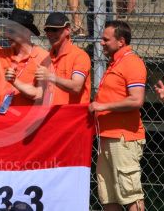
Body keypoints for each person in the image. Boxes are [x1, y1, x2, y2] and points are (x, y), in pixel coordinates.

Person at [89, 21, 146, 211]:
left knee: (131, 196)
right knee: (108, 196)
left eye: (106, 39)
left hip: (123, 139)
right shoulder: (116, 62)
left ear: (121, 41)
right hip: (106, 137)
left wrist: (102, 106)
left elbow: (136, 100)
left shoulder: (132, 62)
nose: (101, 43)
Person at [35, 12, 91, 105]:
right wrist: (15, 82)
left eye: (54, 30)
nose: (50, 33)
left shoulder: (79, 56)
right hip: (51, 116)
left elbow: (76, 87)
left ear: (68, 30)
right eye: (47, 30)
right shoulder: (46, 60)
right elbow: (39, 94)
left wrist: (50, 76)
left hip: (73, 117)